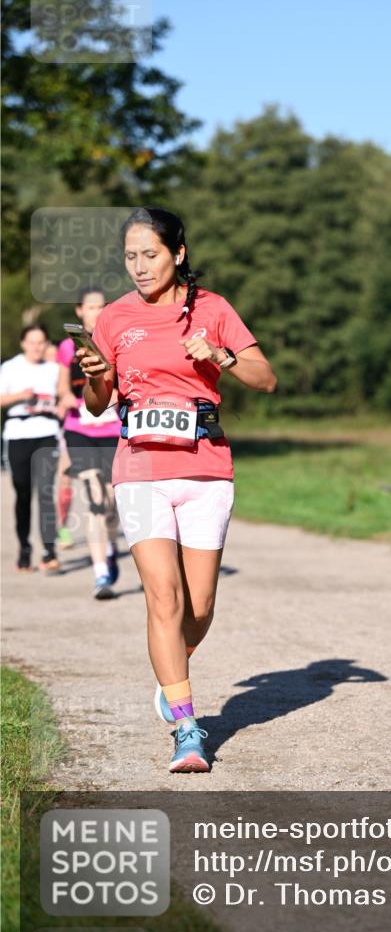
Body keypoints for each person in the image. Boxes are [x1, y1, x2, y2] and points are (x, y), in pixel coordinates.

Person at [79, 206, 277, 773]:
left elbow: (266, 379)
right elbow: (98, 402)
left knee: (200, 605)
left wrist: (221, 356)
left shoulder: (212, 309)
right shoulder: (114, 318)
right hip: (139, 468)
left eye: (151, 255)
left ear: (178, 254)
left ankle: (174, 672)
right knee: (162, 598)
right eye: (130, 257)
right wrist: (96, 374)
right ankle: (188, 728)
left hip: (206, 469)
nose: (140, 267)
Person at [57, 288, 122, 599]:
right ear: (79, 311)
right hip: (79, 431)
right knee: (95, 501)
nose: (97, 311)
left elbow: (127, 386)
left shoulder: (117, 342)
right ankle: (101, 575)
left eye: (102, 306)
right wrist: (72, 401)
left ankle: (110, 548)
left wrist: (111, 403)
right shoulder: (67, 348)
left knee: (110, 503)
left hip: (112, 431)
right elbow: (62, 389)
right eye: (92, 307)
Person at [0, 324, 65, 572]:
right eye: (32, 342)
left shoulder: (54, 369)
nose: (36, 347)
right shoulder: (10, 367)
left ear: (47, 344)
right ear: (23, 343)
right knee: (23, 494)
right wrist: (20, 396)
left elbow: (63, 395)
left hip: (46, 433)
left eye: (41, 342)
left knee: (47, 492)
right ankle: (24, 548)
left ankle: (50, 550)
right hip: (18, 434)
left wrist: (61, 405)